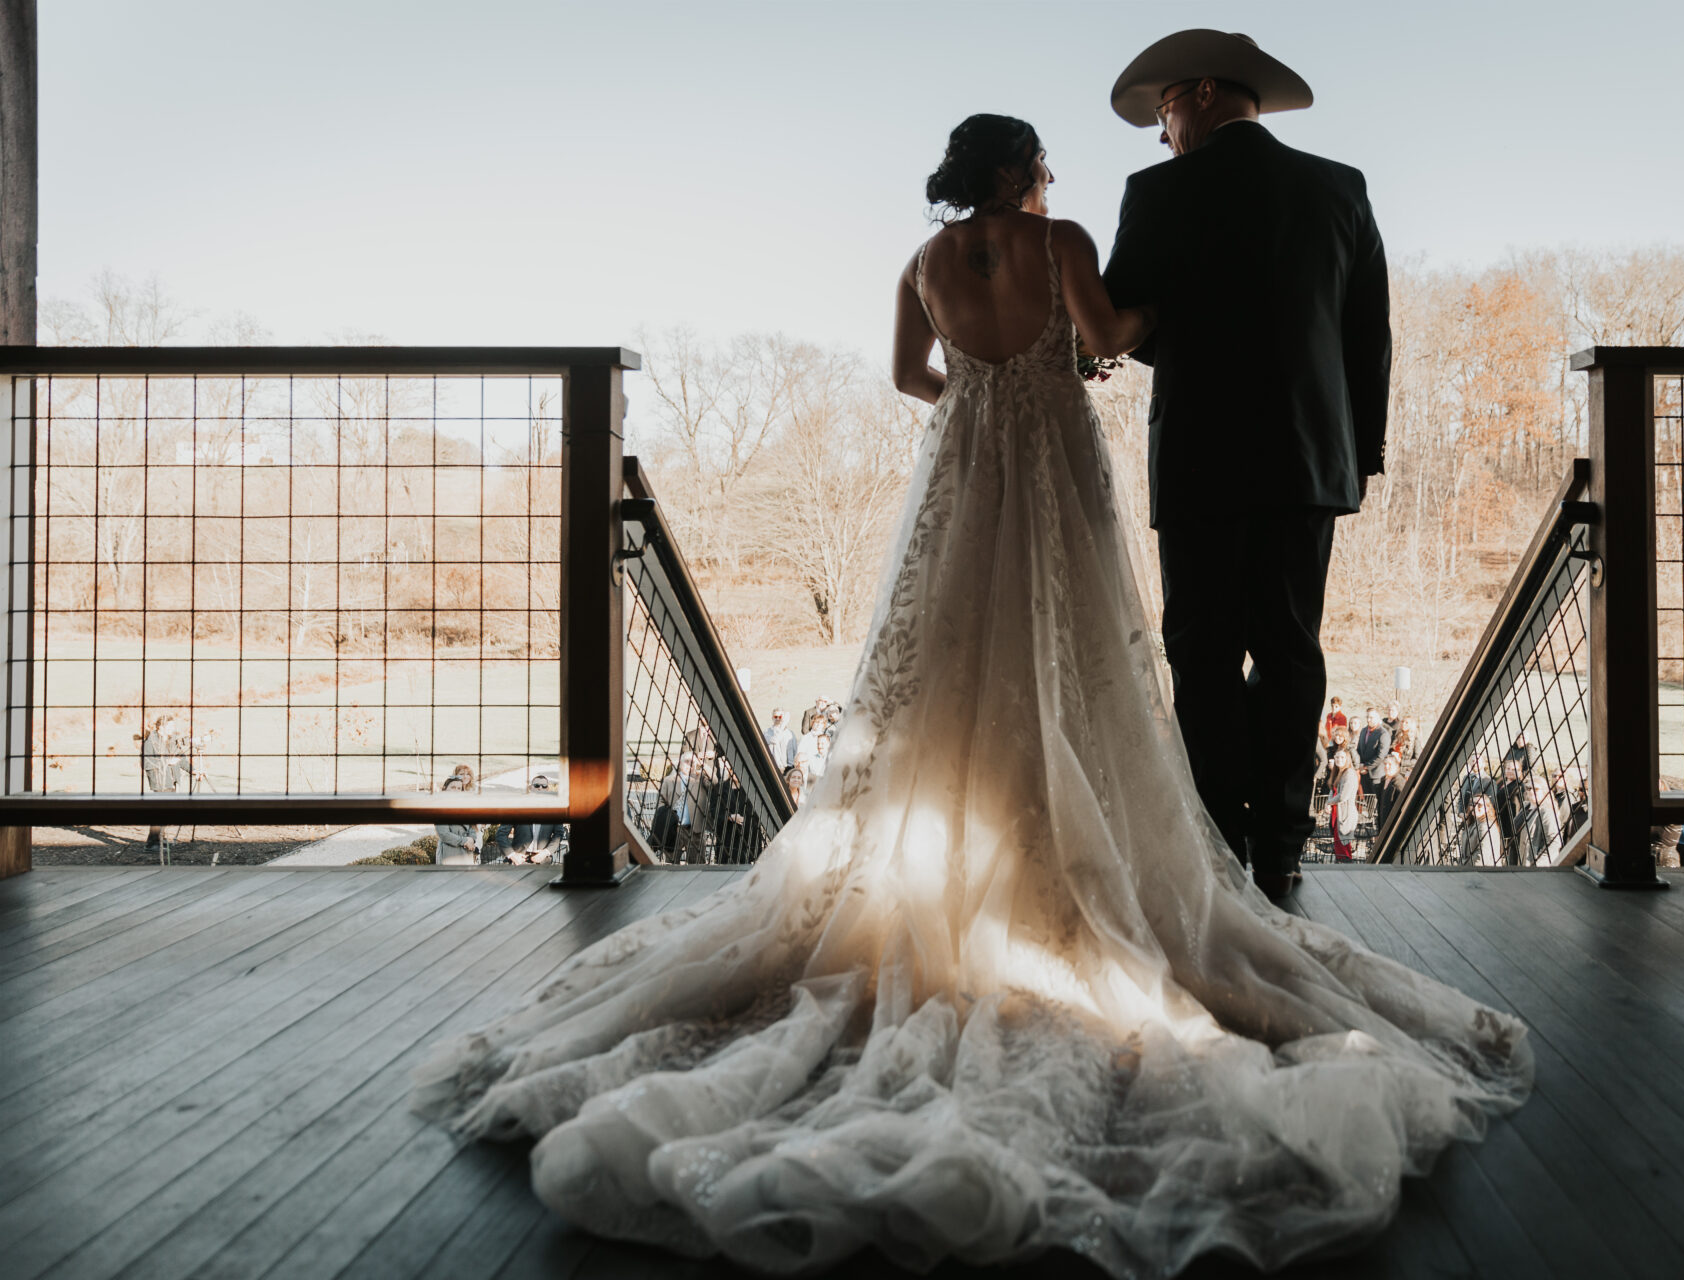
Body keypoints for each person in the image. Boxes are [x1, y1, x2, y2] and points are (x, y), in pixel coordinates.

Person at [412, 87, 1528, 1278]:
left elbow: (909, 377)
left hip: (970, 460)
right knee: (1078, 646)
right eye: (1043, 167)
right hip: (1057, 463)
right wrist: (1134, 327)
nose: (1052, 182)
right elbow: (1104, 340)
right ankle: (1166, 842)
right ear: (1023, 174)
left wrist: (980, 399)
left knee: (946, 656)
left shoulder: (923, 262)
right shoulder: (1063, 243)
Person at [1103, 31, 1390, 900]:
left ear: (1196, 92)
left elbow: (1122, 322)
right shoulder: (1340, 188)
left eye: (1162, 113)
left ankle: (1216, 839)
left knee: (1201, 650)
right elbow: (1367, 335)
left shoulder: (1156, 192)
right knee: (1291, 651)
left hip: (1197, 458)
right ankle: (1280, 846)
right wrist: (1358, 451)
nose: (1161, 136)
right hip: (1309, 461)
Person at [139, 715, 185, 855]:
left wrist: (195, 771)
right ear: (160, 727)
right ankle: (152, 843)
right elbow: (146, 763)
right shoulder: (150, 742)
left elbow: (180, 759)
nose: (173, 729)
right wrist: (167, 762)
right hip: (159, 782)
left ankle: (159, 840)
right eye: (170, 726)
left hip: (170, 781)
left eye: (173, 726)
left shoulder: (170, 741)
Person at [496, 775, 565, 865]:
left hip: (543, 862)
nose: (540, 788)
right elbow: (501, 834)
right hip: (518, 861)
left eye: (544, 786)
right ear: (530, 788)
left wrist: (545, 853)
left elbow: (559, 834)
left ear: (547, 789)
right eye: (536, 785)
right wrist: (512, 855)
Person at [1514, 775, 1562, 867]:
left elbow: (1554, 842)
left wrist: (1537, 864)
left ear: (1544, 791)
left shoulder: (1547, 812)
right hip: (1516, 859)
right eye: (1528, 788)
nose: (1531, 791)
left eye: (1536, 789)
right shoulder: (1525, 807)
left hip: (1531, 865)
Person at [433, 776, 479, 866]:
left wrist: (472, 839)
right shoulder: (439, 807)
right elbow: (444, 834)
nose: (456, 790)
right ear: (445, 789)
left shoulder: (464, 807)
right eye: (453, 787)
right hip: (449, 853)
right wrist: (465, 841)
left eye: (459, 788)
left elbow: (472, 827)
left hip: (466, 852)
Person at [1327, 747, 1360, 861]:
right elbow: (1332, 790)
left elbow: (1343, 796)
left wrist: (1328, 802)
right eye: (1337, 757)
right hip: (1336, 815)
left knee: (1344, 849)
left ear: (1347, 759)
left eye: (1342, 757)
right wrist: (1329, 803)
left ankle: (1347, 872)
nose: (1339, 759)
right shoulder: (1338, 772)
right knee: (1338, 847)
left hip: (1345, 815)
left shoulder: (1349, 773)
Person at [1458, 792, 1504, 866]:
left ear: (1487, 808)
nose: (1475, 807)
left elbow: (1481, 857)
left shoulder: (1485, 826)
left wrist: (1463, 866)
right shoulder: (1473, 823)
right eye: (1472, 804)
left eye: (1479, 805)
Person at [1353, 706, 1389, 797]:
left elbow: (1381, 756)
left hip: (1376, 775)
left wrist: (1366, 767)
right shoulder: (1363, 731)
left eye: (1371, 717)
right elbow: (1359, 750)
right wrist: (1359, 765)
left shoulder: (1383, 734)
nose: (1368, 720)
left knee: (1376, 803)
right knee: (1368, 803)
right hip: (1363, 774)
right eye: (1367, 717)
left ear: (1378, 718)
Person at [1377, 752, 1406, 825]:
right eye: (1385, 764)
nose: (1386, 767)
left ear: (1397, 766)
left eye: (1390, 764)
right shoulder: (1383, 781)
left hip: (1394, 824)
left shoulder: (1399, 782)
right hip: (1383, 823)